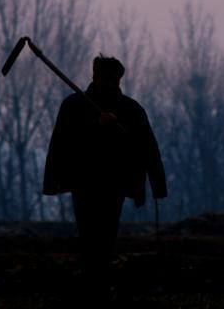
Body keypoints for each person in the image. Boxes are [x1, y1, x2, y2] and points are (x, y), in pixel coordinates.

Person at [43, 54, 167, 290]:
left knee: (107, 233)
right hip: (84, 182)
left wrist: (158, 185)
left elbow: (149, 148)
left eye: (115, 81)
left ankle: (100, 279)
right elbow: (61, 143)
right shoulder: (74, 106)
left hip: (116, 183)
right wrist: (96, 126)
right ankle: (93, 279)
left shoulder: (131, 110)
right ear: (95, 77)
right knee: (88, 232)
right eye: (106, 80)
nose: (111, 85)